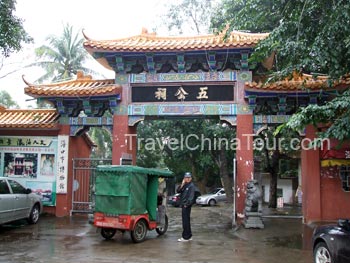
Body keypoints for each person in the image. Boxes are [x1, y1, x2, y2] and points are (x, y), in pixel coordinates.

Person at [176, 172, 195, 242]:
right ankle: (189, 236)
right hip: (184, 205)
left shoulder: (191, 186)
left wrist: (186, 205)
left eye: (188, 177)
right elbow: (178, 191)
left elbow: (191, 197)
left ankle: (185, 237)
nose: (187, 179)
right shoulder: (185, 185)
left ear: (191, 178)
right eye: (186, 177)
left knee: (186, 222)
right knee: (186, 221)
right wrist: (182, 184)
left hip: (186, 206)